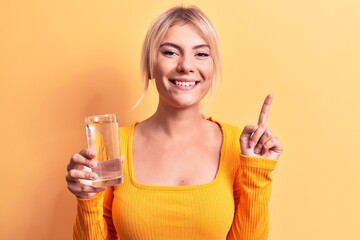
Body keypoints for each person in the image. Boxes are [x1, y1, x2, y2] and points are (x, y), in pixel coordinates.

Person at [66, 5, 283, 240]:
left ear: (213, 67)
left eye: (201, 54)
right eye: (170, 52)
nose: (186, 66)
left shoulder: (239, 146)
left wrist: (257, 172)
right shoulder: (112, 145)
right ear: (150, 65)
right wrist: (87, 200)